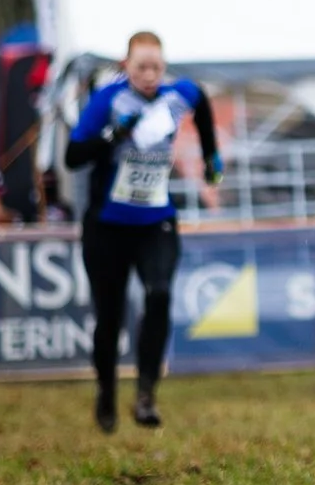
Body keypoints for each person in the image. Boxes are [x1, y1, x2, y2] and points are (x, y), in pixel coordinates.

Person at [63, 31, 223, 433]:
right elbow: (73, 156)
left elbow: (201, 102)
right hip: (106, 226)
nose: (149, 75)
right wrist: (113, 135)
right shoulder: (108, 100)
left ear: (164, 66)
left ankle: (147, 393)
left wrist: (210, 154)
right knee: (110, 317)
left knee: (160, 293)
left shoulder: (178, 94)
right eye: (141, 67)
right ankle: (105, 392)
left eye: (156, 67)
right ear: (125, 66)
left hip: (155, 221)